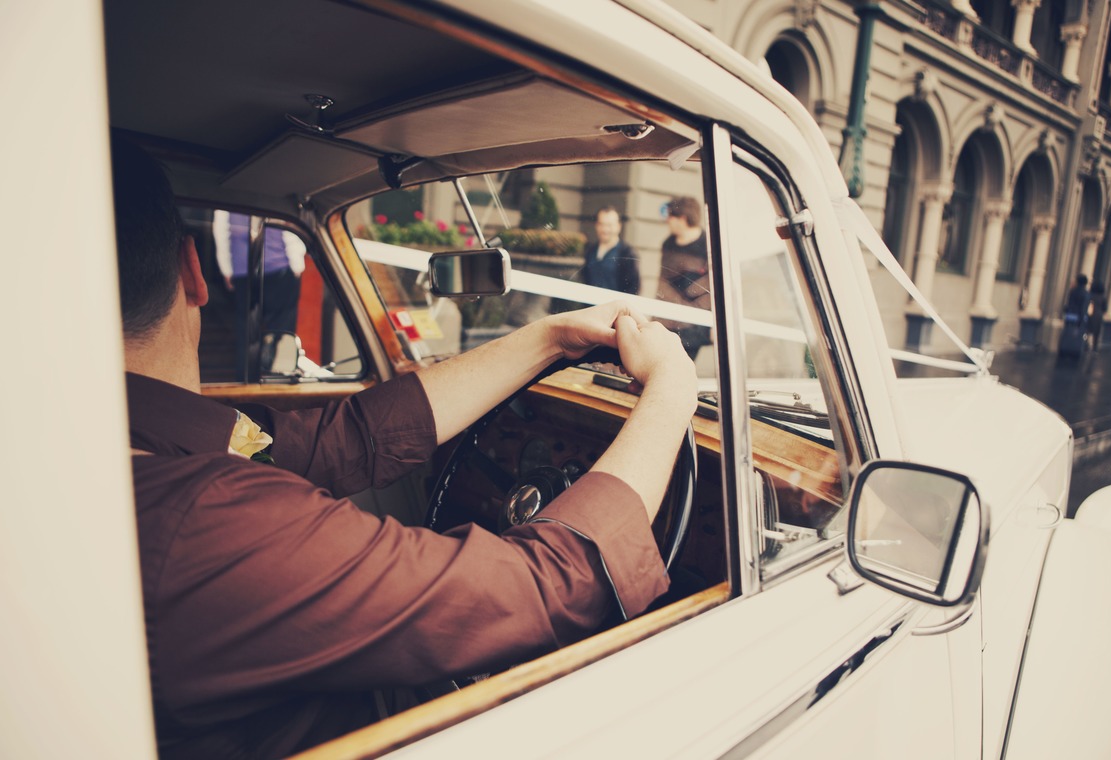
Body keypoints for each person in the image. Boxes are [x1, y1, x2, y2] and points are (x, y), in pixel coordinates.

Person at [112, 135, 696, 759]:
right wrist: (671, 391)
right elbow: (551, 582)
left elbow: (347, 439)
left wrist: (550, 339)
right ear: (193, 271)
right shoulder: (205, 521)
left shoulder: (145, 448)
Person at [213, 209, 306, 375]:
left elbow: (220, 231)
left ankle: (245, 378)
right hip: (278, 267)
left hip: (243, 270)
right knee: (280, 329)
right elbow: (289, 227)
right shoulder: (269, 188)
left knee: (246, 330)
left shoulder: (228, 194)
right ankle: (275, 374)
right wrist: (297, 262)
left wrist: (227, 268)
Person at [656, 196, 711, 359]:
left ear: (682, 219)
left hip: (695, 321)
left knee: (683, 364)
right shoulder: (668, 244)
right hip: (669, 317)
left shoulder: (708, 244)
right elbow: (663, 280)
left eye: (670, 216)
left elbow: (717, 286)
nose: (667, 221)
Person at [580, 206, 640, 295]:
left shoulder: (627, 253)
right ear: (596, 226)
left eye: (609, 225)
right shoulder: (590, 251)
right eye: (601, 224)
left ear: (618, 226)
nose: (605, 229)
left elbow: (633, 288)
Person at [1087, 280, 1106, 352]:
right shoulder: (1103, 297)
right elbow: (1105, 308)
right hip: (1098, 316)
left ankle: (1086, 345)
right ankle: (1094, 348)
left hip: (1090, 315)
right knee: (1096, 334)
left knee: (1087, 331)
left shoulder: (1090, 295)